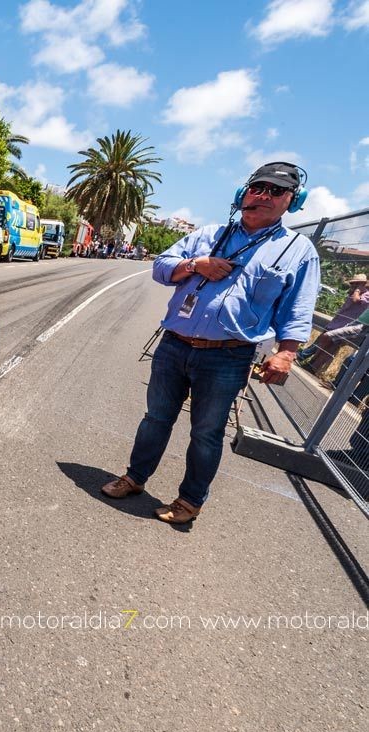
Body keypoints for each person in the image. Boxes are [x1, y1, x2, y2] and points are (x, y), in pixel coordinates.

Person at [100, 162, 321, 525]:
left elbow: (298, 308)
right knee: (155, 418)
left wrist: (287, 353)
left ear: (293, 201)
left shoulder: (298, 251)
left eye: (277, 191)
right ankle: (135, 478)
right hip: (174, 346)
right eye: (258, 188)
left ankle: (189, 501)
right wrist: (195, 264)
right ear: (243, 194)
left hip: (228, 357)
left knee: (206, 433)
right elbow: (161, 267)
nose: (265, 195)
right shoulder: (208, 235)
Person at [298, 273, 369, 374]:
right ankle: (310, 363)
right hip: (337, 322)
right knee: (325, 344)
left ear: (362, 284)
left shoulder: (365, 294)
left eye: (357, 284)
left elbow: (356, 300)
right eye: (353, 283)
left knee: (324, 341)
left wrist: (357, 290)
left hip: (344, 325)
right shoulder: (353, 292)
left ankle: (305, 357)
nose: (354, 285)